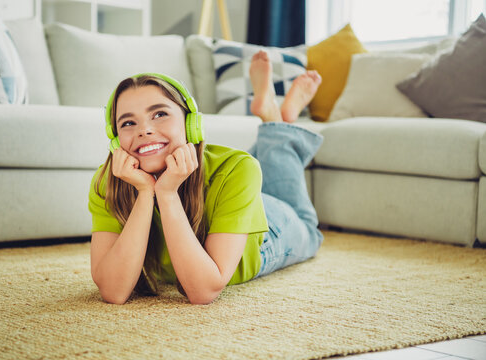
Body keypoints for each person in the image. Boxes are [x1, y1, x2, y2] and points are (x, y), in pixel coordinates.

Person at [88, 50, 324, 305]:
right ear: (116, 142)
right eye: (127, 123)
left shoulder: (239, 168)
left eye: (159, 114)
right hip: (230, 203)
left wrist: (167, 194)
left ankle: (277, 121)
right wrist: (146, 193)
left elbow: (203, 291)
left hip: (270, 232)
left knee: (309, 230)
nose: (144, 130)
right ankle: (278, 123)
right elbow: (114, 292)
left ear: (191, 124)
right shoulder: (107, 182)